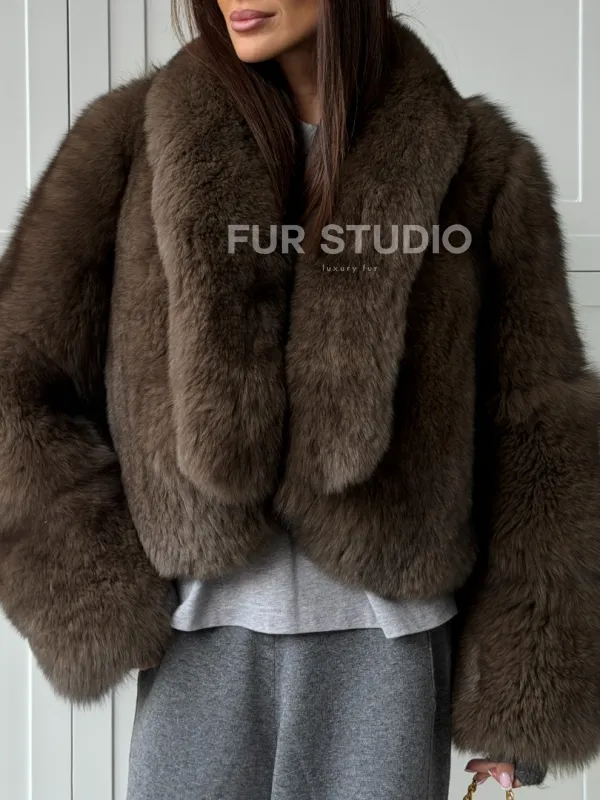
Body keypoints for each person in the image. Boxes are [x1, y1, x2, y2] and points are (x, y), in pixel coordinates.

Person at [0, 0, 599, 797]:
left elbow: (537, 430)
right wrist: (94, 595)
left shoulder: (479, 164)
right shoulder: (128, 143)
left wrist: (523, 695)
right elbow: (17, 378)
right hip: (198, 645)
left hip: (388, 652)